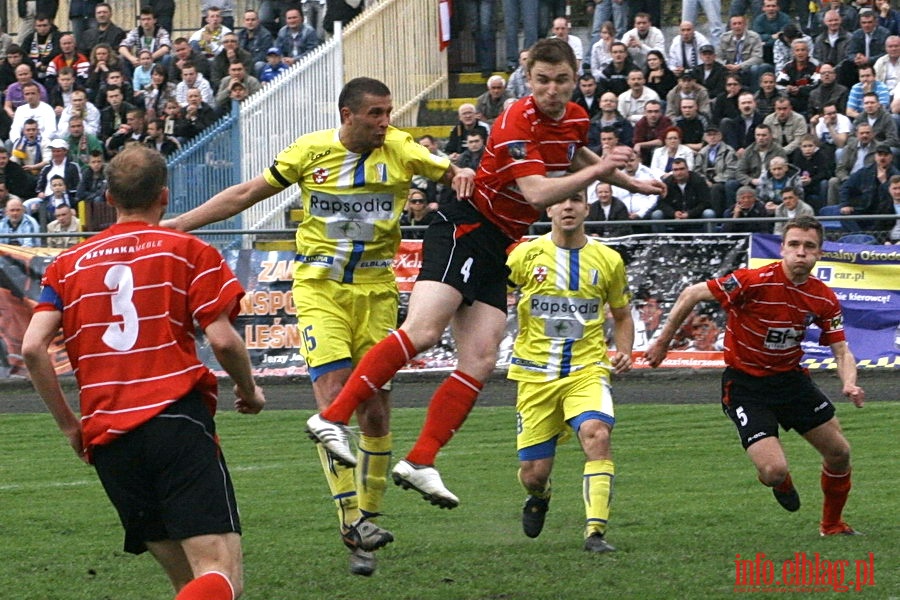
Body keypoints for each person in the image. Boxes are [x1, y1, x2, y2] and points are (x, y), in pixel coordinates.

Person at [306, 39, 665, 510]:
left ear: (576, 77)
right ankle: (331, 418)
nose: (552, 90)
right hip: (465, 226)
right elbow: (537, 193)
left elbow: (573, 154)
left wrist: (629, 181)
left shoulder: (575, 116)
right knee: (424, 331)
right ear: (527, 78)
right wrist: (601, 169)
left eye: (561, 80)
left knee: (480, 358)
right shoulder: (518, 116)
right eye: (542, 80)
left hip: (498, 243)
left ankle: (420, 460)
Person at [162, 77, 476, 576]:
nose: (385, 121)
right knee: (333, 402)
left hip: (375, 293)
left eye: (389, 111)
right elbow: (247, 192)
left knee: (375, 413)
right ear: (347, 115)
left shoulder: (404, 150)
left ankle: (369, 516)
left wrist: (460, 173)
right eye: (375, 113)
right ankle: (352, 523)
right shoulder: (309, 152)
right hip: (319, 289)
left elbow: (453, 172)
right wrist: (181, 224)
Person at [22, 146, 266, 599]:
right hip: (174, 420)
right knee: (218, 575)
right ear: (165, 197)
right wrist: (250, 391)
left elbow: (33, 348)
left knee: (186, 583)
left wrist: (70, 427)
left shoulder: (66, 265)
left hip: (109, 438)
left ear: (109, 198)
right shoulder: (189, 251)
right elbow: (223, 340)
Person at [646, 216, 865, 537]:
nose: (800, 252)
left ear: (819, 253)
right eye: (794, 245)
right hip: (746, 384)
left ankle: (832, 525)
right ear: (782, 249)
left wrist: (849, 382)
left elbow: (842, 350)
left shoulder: (823, 298)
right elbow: (691, 294)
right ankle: (781, 481)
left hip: (791, 380)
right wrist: (663, 341)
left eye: (809, 246)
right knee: (774, 471)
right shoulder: (753, 281)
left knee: (839, 453)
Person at [507, 189, 633, 553]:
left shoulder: (608, 259)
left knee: (597, 434)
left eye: (575, 199)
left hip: (586, 369)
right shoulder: (524, 255)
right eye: (561, 200)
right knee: (534, 473)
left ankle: (595, 532)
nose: (568, 206)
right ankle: (540, 494)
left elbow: (622, 316)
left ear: (586, 208)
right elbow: (490, 297)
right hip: (534, 375)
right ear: (548, 206)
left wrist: (623, 352)